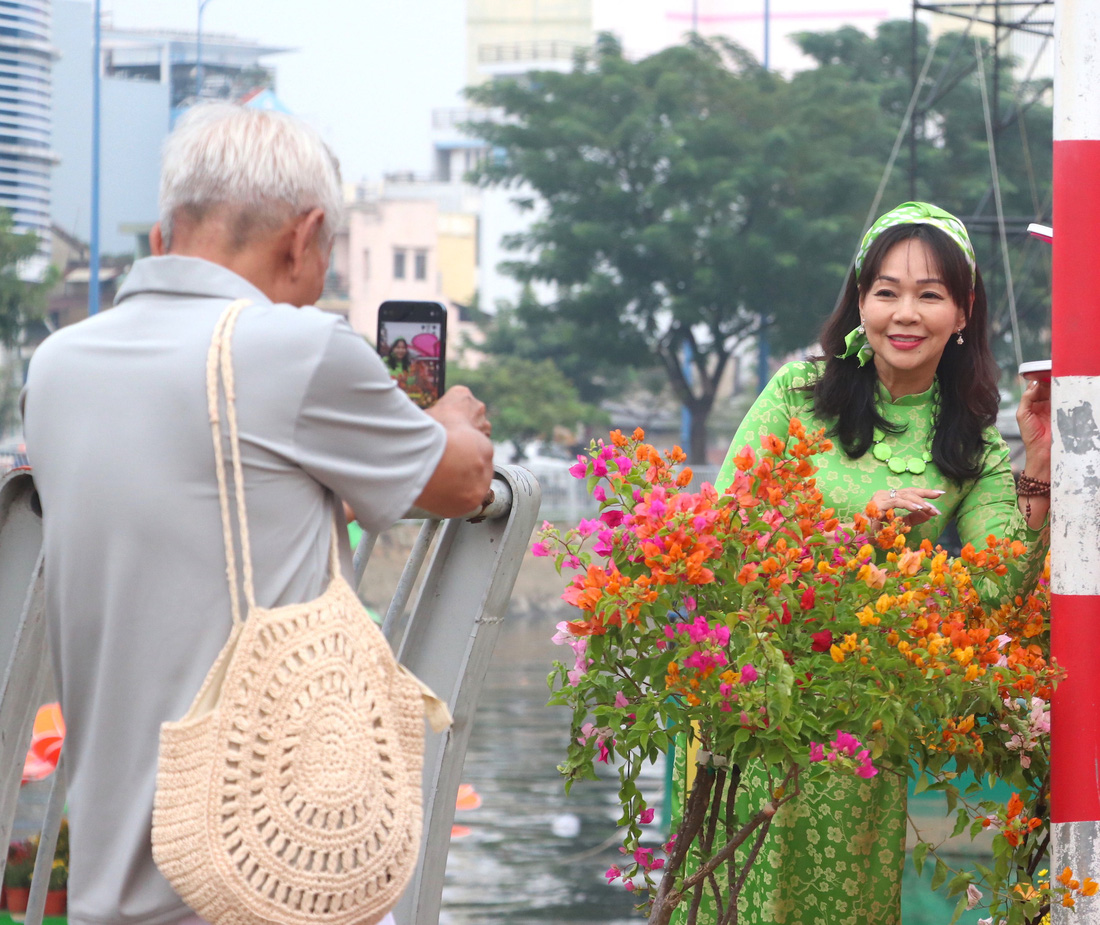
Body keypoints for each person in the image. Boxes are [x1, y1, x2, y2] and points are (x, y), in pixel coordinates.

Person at [21, 103, 494, 925]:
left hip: (109, 880)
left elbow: (205, 489)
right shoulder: (296, 348)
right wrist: (444, 420)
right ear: (303, 236)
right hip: (260, 878)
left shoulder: (58, 367)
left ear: (166, 232)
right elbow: (461, 483)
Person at [670, 201, 1051, 925]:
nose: (905, 313)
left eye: (930, 294)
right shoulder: (797, 396)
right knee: (733, 900)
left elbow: (994, 586)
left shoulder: (972, 443)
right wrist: (858, 533)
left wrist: (1036, 465)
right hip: (753, 706)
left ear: (963, 310)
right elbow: (723, 538)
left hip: (865, 731)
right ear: (860, 302)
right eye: (887, 291)